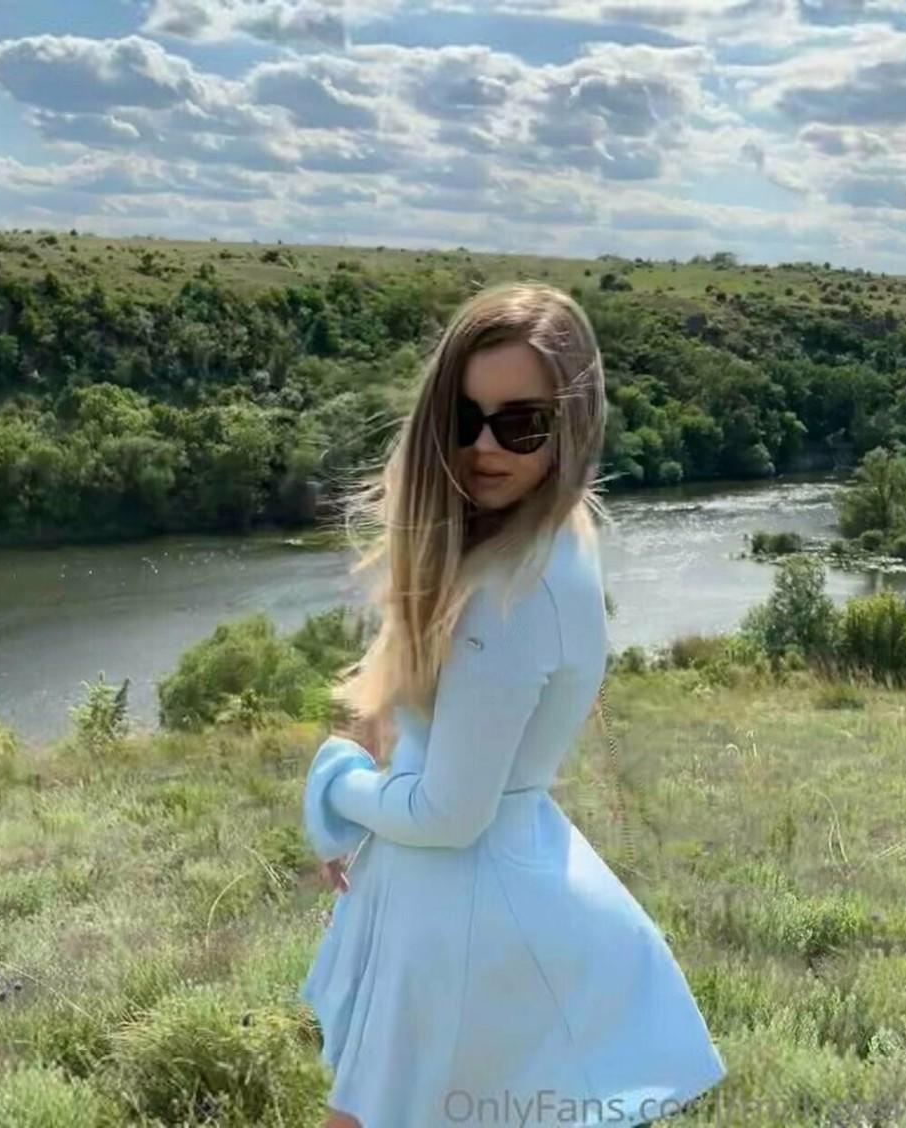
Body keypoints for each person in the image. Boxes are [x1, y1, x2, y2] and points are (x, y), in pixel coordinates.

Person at [299, 282, 727, 1128]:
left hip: (463, 916)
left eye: (521, 424)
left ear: (574, 424)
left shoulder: (513, 588)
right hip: (466, 898)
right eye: (464, 419)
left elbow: (451, 813)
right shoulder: (530, 544)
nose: (485, 447)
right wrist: (365, 749)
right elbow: (411, 697)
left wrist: (334, 785)